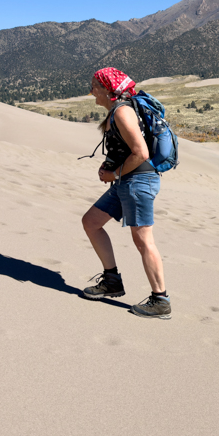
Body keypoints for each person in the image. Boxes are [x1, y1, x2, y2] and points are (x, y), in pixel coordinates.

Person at [80, 67, 171, 320]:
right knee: (91, 222)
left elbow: (140, 153)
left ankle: (160, 300)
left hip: (137, 182)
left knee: (143, 241)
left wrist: (114, 173)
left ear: (109, 90)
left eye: (95, 86)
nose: (91, 91)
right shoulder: (118, 111)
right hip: (126, 181)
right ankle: (111, 281)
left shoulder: (122, 112)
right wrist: (110, 167)